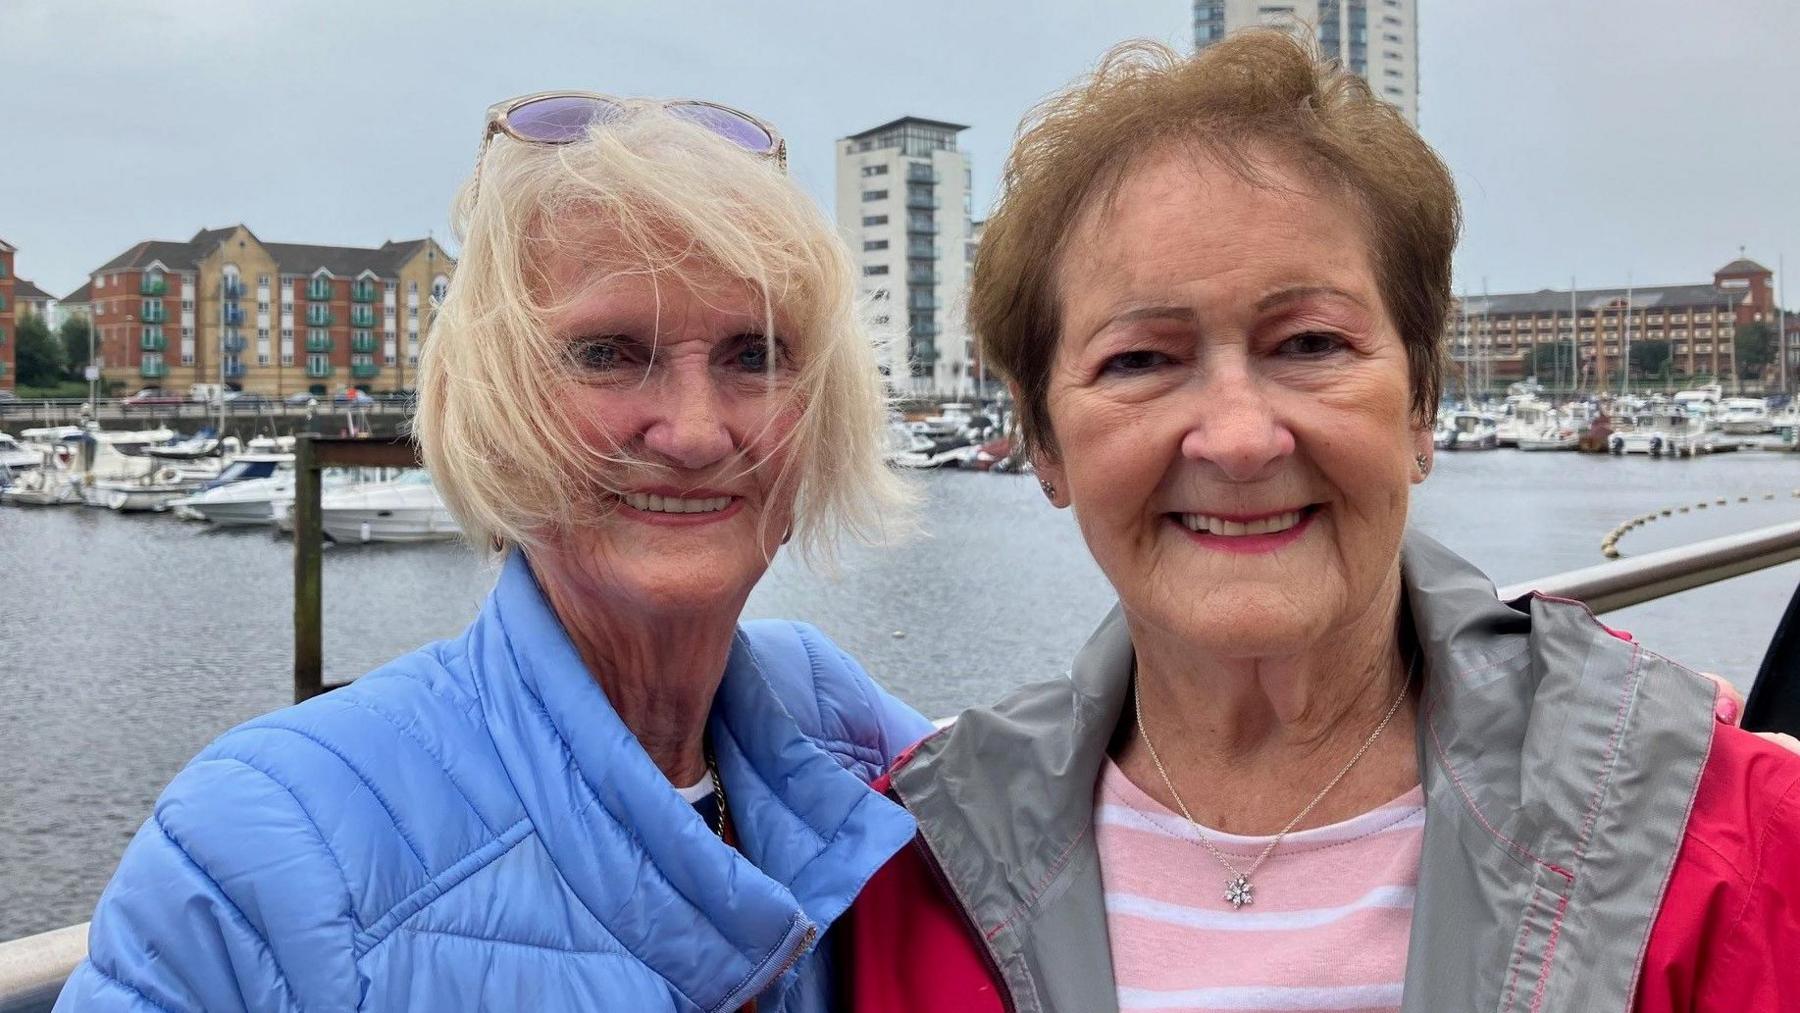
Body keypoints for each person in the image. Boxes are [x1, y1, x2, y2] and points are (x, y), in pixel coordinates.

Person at [842, 33, 1800, 1013]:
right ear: (1043, 442)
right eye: (1141, 359)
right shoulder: (897, 880)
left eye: (1308, 342)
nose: (1242, 437)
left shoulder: (1724, 842)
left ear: (1421, 403)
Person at [58, 93, 930, 1012]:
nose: (695, 430)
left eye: (754, 354)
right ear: (492, 402)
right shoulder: (263, 845)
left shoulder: (835, 716)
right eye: (607, 352)